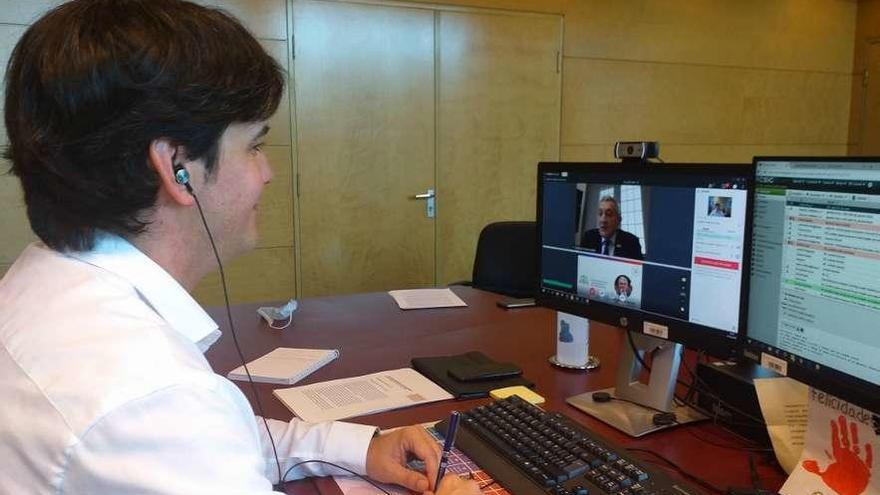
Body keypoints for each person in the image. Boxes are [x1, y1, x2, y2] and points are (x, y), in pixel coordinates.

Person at [0, 1, 479, 494]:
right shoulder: (148, 395)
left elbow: (211, 441)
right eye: (253, 145)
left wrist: (357, 448)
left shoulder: (42, 288)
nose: (267, 173)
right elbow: (181, 429)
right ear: (177, 167)